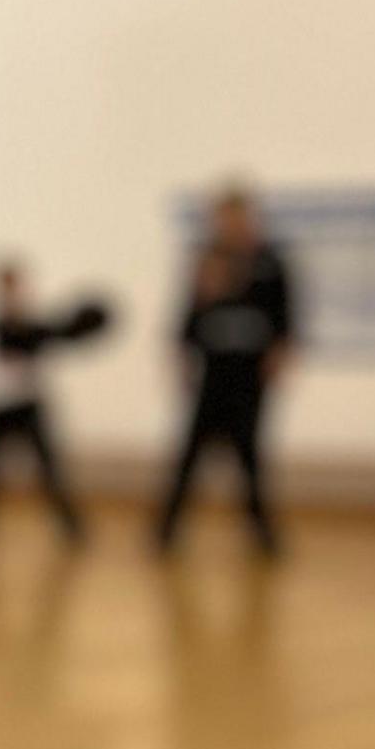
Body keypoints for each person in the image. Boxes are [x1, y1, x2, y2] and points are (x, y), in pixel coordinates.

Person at [154, 184, 298, 558]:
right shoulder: (207, 259)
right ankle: (166, 534)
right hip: (213, 373)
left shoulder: (269, 261)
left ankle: (262, 535)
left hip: (249, 377)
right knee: (189, 456)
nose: (229, 225)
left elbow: (286, 319)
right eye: (222, 218)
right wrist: (181, 359)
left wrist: (279, 359)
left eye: (236, 217)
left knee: (249, 458)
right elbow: (187, 316)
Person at [0, 254, 100, 548]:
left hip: (30, 403)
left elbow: (54, 336)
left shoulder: (33, 322)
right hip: (2, 404)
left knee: (50, 470)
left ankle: (71, 528)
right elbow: (13, 344)